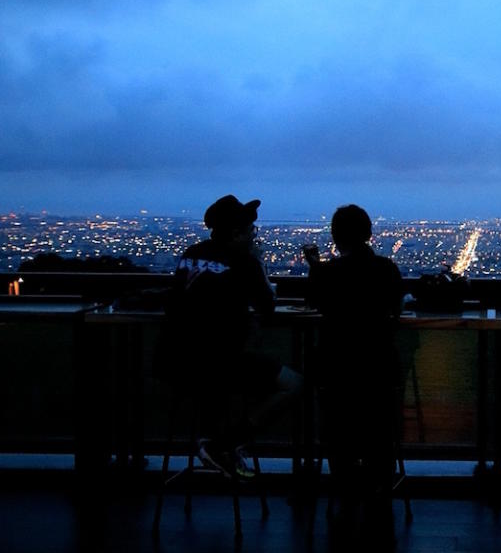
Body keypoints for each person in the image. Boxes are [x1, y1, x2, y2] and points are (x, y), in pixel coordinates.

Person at [155, 195, 303, 479]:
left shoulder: (191, 254)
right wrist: (259, 262)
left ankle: (216, 442)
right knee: (295, 385)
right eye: (250, 231)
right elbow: (267, 308)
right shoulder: (243, 262)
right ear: (236, 234)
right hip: (220, 363)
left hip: (174, 362)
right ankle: (225, 444)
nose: (253, 236)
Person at [304, 204, 405, 544]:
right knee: (379, 427)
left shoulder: (329, 273)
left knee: (338, 429)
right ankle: (379, 486)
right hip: (378, 367)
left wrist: (316, 268)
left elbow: (316, 302)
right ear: (369, 234)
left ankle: (345, 487)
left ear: (335, 236)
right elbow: (396, 308)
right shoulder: (386, 269)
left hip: (337, 368)